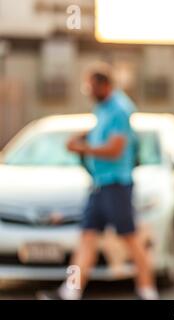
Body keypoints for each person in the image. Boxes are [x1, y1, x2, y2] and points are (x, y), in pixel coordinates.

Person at [37, 63, 158, 300]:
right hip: (99, 184)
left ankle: (147, 289)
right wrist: (84, 136)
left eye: (91, 87)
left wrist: (82, 148)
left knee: (130, 237)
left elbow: (115, 148)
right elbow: (100, 134)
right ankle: (70, 291)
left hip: (116, 183)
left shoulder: (120, 109)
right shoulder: (101, 108)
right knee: (87, 237)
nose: (89, 92)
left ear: (104, 85)